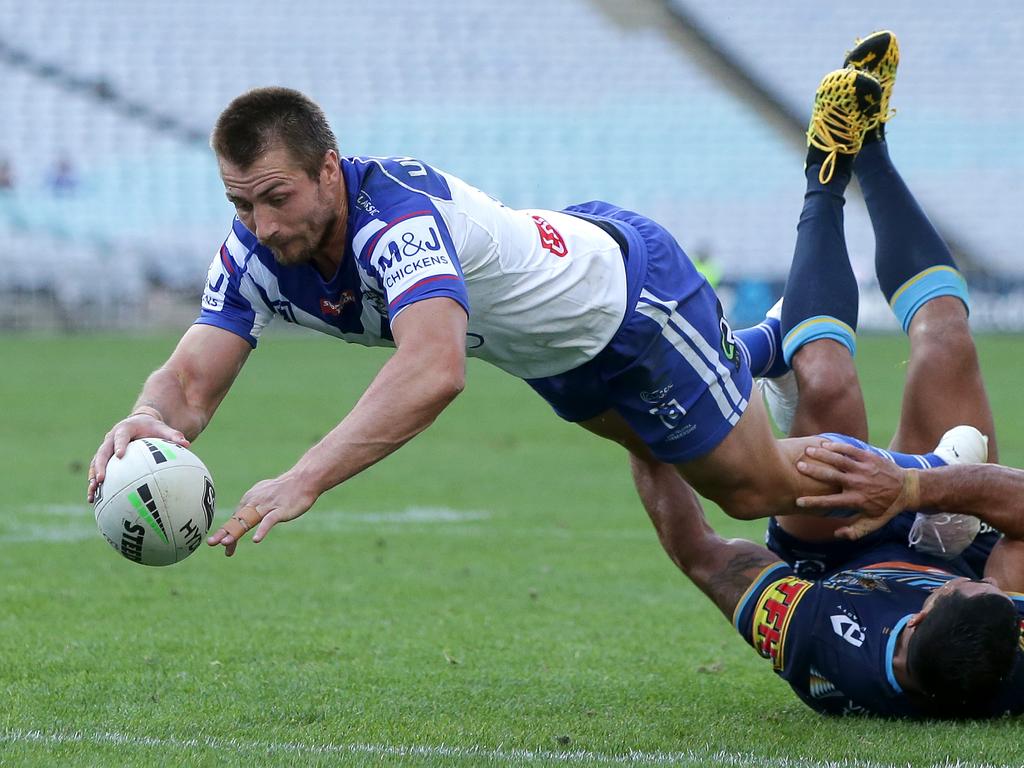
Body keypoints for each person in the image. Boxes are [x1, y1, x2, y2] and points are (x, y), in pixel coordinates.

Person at [86, 61, 953, 556]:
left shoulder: (395, 220)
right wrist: (146, 416)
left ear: (328, 169)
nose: (259, 224)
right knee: (693, 456)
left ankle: (941, 484)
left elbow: (433, 369)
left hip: (630, 309)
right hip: (554, 355)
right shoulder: (255, 254)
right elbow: (192, 382)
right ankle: (758, 351)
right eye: (241, 203)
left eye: (274, 196)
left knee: (748, 490)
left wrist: (303, 476)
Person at [632, 31, 1024, 718]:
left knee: (828, 381)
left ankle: (824, 174)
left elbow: (702, 554)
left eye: (971, 590)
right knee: (947, 342)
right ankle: (867, 145)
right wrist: (911, 487)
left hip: (829, 559)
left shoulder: (816, 638)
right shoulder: (1008, 661)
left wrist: (645, 421)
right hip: (938, 538)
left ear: (925, 612)